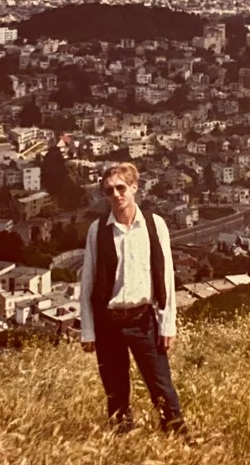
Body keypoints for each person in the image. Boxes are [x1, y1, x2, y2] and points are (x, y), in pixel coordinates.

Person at [80, 162, 188, 436]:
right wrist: (88, 330)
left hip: (143, 321)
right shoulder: (98, 230)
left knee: (161, 387)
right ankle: (122, 444)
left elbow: (165, 277)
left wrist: (167, 324)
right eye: (109, 190)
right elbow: (88, 282)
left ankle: (179, 440)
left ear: (134, 188)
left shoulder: (154, 225)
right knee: (115, 392)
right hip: (108, 324)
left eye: (121, 188)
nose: (116, 195)